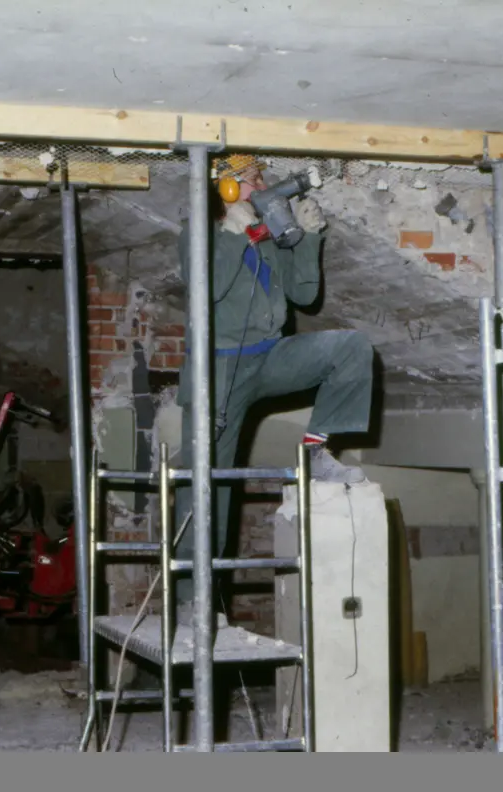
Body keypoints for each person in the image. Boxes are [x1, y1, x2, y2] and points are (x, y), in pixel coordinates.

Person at [171, 154, 375, 626]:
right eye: (251, 179)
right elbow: (207, 291)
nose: (263, 185)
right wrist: (228, 236)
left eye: (261, 177)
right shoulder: (199, 237)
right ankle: (191, 605)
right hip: (217, 372)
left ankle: (316, 453)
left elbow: (304, 294)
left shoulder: (265, 233)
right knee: (204, 487)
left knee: (351, 348)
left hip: (269, 355)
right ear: (223, 189)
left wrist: (309, 238)